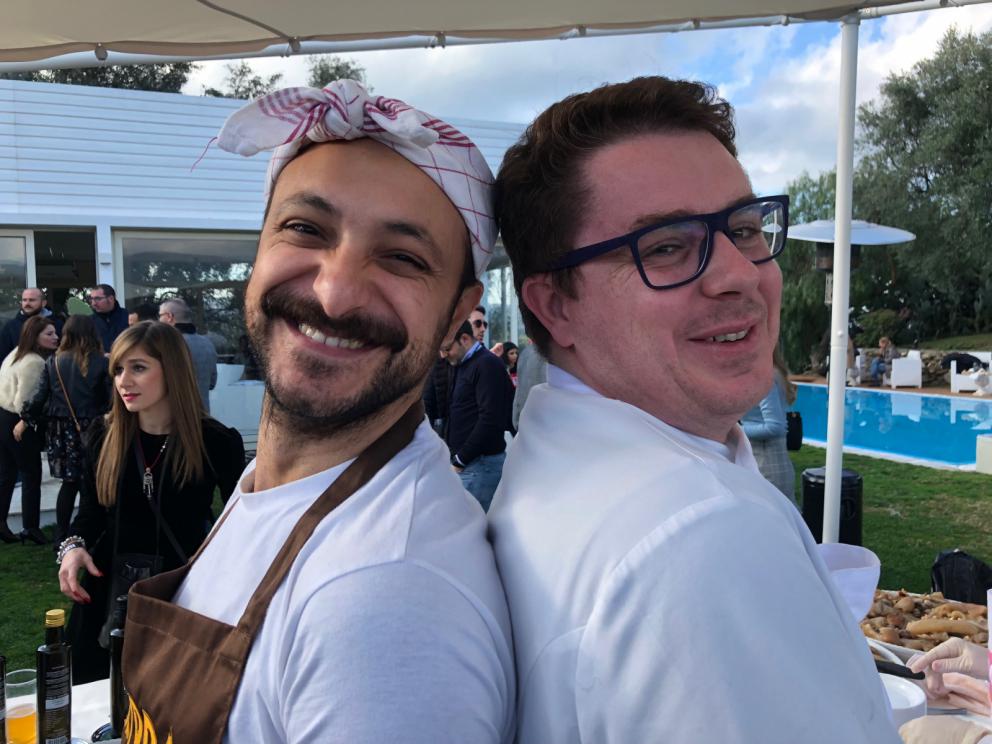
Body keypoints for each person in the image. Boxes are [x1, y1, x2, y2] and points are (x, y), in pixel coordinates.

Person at [94, 81, 514, 743]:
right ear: (258, 251)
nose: (336, 293)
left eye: (402, 257)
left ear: (458, 314)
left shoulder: (391, 599)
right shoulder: (274, 484)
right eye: (306, 229)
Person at [489, 76, 898, 743]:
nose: (739, 273)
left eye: (743, 228)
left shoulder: (550, 475)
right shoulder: (698, 533)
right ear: (555, 305)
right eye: (667, 248)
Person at [56, 322, 244, 683]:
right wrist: (72, 548)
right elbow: (91, 514)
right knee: (97, 701)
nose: (124, 381)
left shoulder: (217, 442)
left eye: (138, 368)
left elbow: (240, 525)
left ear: (171, 369)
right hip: (108, 592)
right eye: (118, 370)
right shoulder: (103, 436)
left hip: (183, 594)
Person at [22, 315, 111, 545]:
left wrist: (26, 417)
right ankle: (96, 532)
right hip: (94, 427)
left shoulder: (54, 361)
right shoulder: (102, 362)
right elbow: (109, 399)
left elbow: (39, 396)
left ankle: (61, 535)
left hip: (62, 430)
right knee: (95, 482)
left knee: (69, 484)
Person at [0, 315, 59, 544]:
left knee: (6, 474)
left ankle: (2, 523)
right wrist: (25, 422)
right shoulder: (34, 361)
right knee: (30, 474)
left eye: (55, 333)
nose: (56, 337)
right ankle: (31, 528)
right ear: (35, 337)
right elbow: (26, 399)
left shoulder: (15, 354)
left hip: (3, 416)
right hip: (17, 421)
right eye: (49, 334)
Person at [446, 321, 515, 511]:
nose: (443, 355)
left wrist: (461, 458)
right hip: (471, 466)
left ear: (465, 339)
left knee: (474, 532)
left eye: (447, 348)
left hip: (479, 466)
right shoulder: (463, 363)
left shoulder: (487, 364)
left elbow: (491, 419)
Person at [741, 349, 796, 502]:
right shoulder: (766, 373)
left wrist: (736, 429)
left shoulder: (765, 377)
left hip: (769, 466)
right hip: (762, 463)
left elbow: (775, 427)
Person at [158, 298, 218, 412]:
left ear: (169, 316)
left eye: (160, 315)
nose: (159, 320)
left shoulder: (166, 344)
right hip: (203, 415)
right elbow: (212, 383)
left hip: (173, 416)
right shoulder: (207, 344)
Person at [0, 288, 63, 362]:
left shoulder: (57, 324)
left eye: (32, 300)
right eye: (24, 300)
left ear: (43, 303)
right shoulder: (11, 327)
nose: (27, 303)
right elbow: (2, 357)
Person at [510, 341, 547, 430]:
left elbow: (519, 394)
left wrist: (517, 421)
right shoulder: (556, 352)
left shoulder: (525, 354)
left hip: (527, 425)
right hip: (547, 426)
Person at [88, 284, 129, 352]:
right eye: (91, 299)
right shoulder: (89, 322)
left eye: (97, 299)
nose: (93, 303)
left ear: (111, 299)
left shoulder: (127, 316)